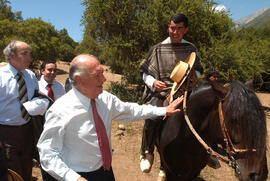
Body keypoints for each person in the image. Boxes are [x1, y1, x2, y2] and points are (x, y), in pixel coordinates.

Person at [37, 54, 184, 181]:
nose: (104, 79)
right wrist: (73, 177)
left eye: (102, 73)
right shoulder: (60, 110)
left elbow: (131, 110)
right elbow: (47, 153)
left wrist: (164, 109)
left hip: (106, 172)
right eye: (97, 75)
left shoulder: (105, 99)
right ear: (79, 79)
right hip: (77, 175)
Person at [139, 13, 204, 179]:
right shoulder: (157, 49)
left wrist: (190, 75)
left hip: (185, 91)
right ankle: (147, 152)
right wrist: (153, 82)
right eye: (172, 28)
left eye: (179, 28)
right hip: (161, 91)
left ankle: (207, 152)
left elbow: (198, 70)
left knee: (204, 116)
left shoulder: (191, 49)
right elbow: (145, 73)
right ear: (168, 27)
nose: (174, 32)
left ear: (186, 30)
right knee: (152, 117)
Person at [0, 40, 49, 181]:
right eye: (24, 54)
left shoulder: (30, 75)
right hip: (5, 133)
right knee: (10, 172)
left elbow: (34, 96)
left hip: (27, 130)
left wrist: (42, 103)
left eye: (30, 54)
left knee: (27, 166)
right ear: (11, 55)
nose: (30, 58)